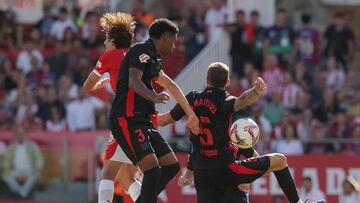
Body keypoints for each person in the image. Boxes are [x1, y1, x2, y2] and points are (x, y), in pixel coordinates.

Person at [158, 62, 325, 203]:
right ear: (228, 82)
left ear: (206, 80)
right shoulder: (224, 103)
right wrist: (256, 91)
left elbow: (165, 120)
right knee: (280, 161)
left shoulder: (192, 99)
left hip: (202, 175)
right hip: (226, 170)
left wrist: (143, 117)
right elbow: (241, 101)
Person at [109, 18, 199, 203]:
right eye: (173, 41)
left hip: (144, 122)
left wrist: (190, 114)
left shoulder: (153, 58)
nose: (174, 47)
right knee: (152, 169)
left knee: (172, 166)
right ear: (165, 37)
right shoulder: (141, 51)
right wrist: (155, 97)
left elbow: (172, 85)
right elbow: (134, 81)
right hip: (127, 119)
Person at [82, 12, 142, 203]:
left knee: (106, 174)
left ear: (114, 39)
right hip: (146, 118)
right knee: (126, 178)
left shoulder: (109, 56)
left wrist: (102, 80)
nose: (105, 41)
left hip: (125, 118)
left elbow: (87, 86)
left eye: (107, 37)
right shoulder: (138, 55)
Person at [2, 125, 44, 198]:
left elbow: (39, 159)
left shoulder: (32, 145)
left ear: (25, 134)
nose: (20, 136)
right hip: (15, 170)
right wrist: (7, 169)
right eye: (18, 134)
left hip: (30, 170)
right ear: (15, 135)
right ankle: (21, 192)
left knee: (35, 175)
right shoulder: (11, 147)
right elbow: (6, 161)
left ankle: (20, 193)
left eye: (21, 134)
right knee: (5, 176)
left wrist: (36, 168)